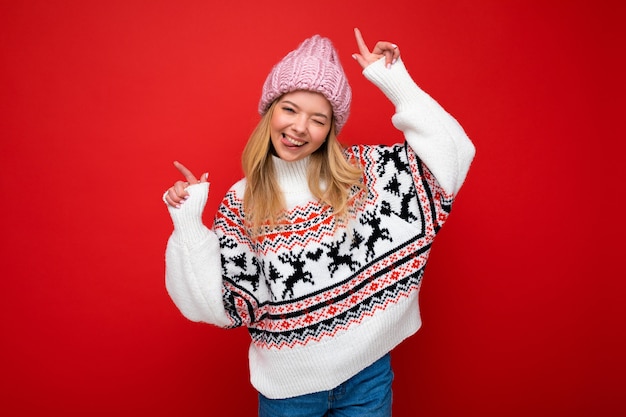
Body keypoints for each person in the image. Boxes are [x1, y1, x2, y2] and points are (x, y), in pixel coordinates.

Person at [163, 28, 475, 417]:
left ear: (330, 130)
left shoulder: (366, 176)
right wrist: (188, 224)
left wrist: (396, 82)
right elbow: (217, 307)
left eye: (318, 119)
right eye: (289, 109)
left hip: (368, 375)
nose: (298, 128)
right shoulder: (244, 202)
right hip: (289, 394)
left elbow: (454, 155)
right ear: (269, 110)